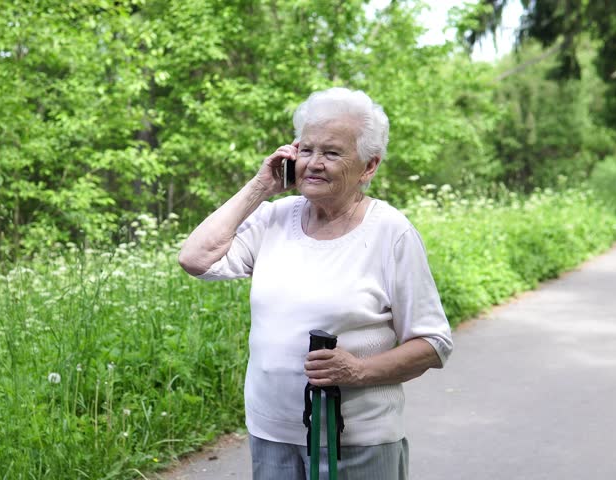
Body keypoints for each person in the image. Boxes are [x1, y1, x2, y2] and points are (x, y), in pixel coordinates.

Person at [178, 87, 453, 480]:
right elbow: (194, 258)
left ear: (369, 166)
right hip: (271, 435)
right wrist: (260, 188)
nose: (314, 163)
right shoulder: (275, 218)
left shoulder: (390, 233)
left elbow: (433, 343)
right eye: (306, 150)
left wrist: (357, 370)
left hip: (357, 443)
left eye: (332, 152)